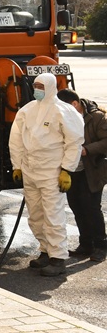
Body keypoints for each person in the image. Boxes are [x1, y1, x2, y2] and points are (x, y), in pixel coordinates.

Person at [9, 73, 85, 276]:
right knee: (35, 215)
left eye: (41, 86)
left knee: (53, 215)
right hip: (30, 170)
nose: (37, 89)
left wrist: (67, 170)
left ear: (51, 87)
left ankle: (58, 258)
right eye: (35, 85)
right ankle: (45, 250)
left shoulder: (64, 111)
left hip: (52, 172)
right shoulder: (27, 110)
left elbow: (74, 141)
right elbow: (15, 138)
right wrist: (17, 165)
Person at [57, 88, 107, 262]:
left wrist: (87, 150)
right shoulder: (63, 118)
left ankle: (100, 246)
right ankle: (85, 244)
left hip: (91, 170)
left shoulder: (97, 118)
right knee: (77, 207)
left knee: (92, 208)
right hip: (71, 171)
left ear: (75, 104)